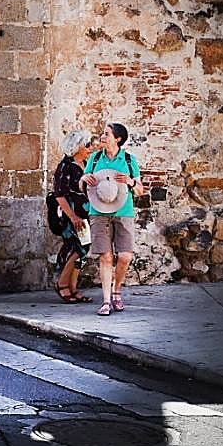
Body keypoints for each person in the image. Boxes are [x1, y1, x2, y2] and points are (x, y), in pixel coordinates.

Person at [80, 122, 143, 316]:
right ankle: (107, 301)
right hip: (98, 212)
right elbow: (83, 184)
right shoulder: (94, 158)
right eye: (103, 133)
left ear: (118, 139)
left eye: (107, 134)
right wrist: (84, 179)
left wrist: (130, 182)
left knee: (125, 256)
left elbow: (140, 190)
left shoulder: (129, 160)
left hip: (124, 212)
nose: (102, 137)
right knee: (106, 257)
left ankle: (117, 290)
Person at [52, 130, 94, 303]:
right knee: (77, 247)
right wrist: (73, 217)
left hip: (85, 213)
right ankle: (62, 284)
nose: (90, 148)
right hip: (71, 215)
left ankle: (73, 287)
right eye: (87, 145)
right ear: (77, 147)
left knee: (83, 248)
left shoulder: (86, 164)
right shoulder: (65, 166)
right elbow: (59, 194)